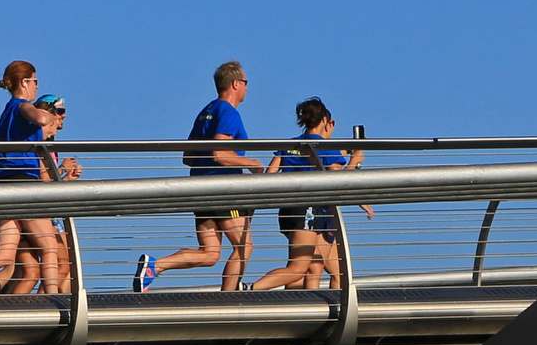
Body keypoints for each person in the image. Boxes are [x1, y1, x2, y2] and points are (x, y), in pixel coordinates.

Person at [135, 60, 264, 292]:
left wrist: (233, 167)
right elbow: (220, 152)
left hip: (202, 189)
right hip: (224, 192)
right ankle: (229, 300)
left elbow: (188, 156)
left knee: (210, 253)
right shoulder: (228, 112)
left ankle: (156, 266)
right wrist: (252, 164)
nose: (247, 87)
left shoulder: (206, 111)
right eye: (246, 83)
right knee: (244, 246)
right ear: (235, 84)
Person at [252, 97, 373, 292]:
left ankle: (308, 308)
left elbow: (270, 175)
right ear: (325, 120)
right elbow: (338, 180)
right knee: (297, 269)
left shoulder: (289, 145)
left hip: (289, 211)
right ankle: (249, 290)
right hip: (309, 211)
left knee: (332, 269)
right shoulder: (325, 147)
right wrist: (355, 161)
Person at [0, 61, 65, 297]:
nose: (37, 87)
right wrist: (47, 114)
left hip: (5, 185)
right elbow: (37, 117)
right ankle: (54, 298)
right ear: (24, 82)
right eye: (36, 81)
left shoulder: (7, 110)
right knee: (49, 246)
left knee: (5, 256)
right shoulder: (21, 106)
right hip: (22, 184)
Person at [7, 93, 83, 294]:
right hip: (34, 206)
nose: (62, 117)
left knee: (46, 268)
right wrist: (61, 171)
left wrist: (65, 177)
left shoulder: (49, 145)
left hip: (43, 207)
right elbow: (42, 178)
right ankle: (46, 304)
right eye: (59, 112)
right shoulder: (38, 144)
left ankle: (52, 305)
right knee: (39, 267)